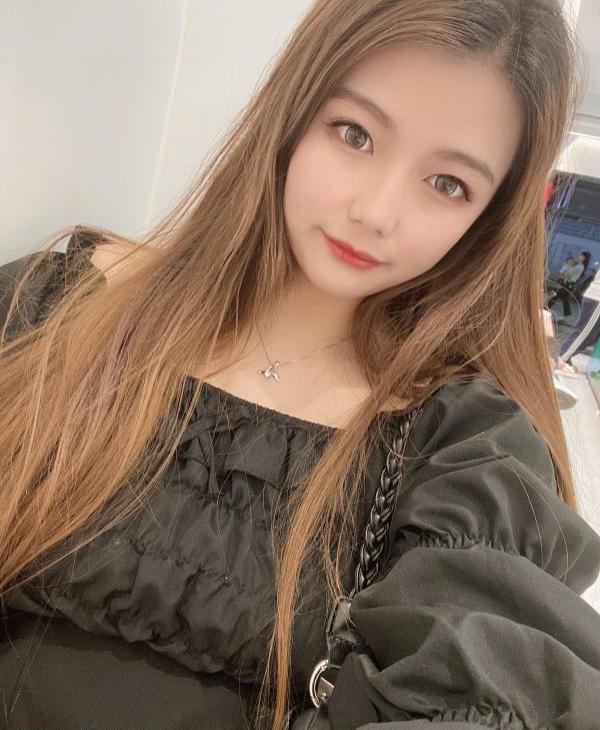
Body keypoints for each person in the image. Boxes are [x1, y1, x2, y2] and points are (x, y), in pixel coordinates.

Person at [1, 1, 600, 728]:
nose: (376, 211)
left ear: (488, 220)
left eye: (448, 184)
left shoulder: (462, 452)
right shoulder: (63, 306)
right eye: (355, 134)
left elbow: (481, 682)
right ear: (294, 108)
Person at [558, 265, 600, 366]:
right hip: (597, 299)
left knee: (591, 338)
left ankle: (565, 357)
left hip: (595, 299)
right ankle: (561, 358)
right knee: (583, 333)